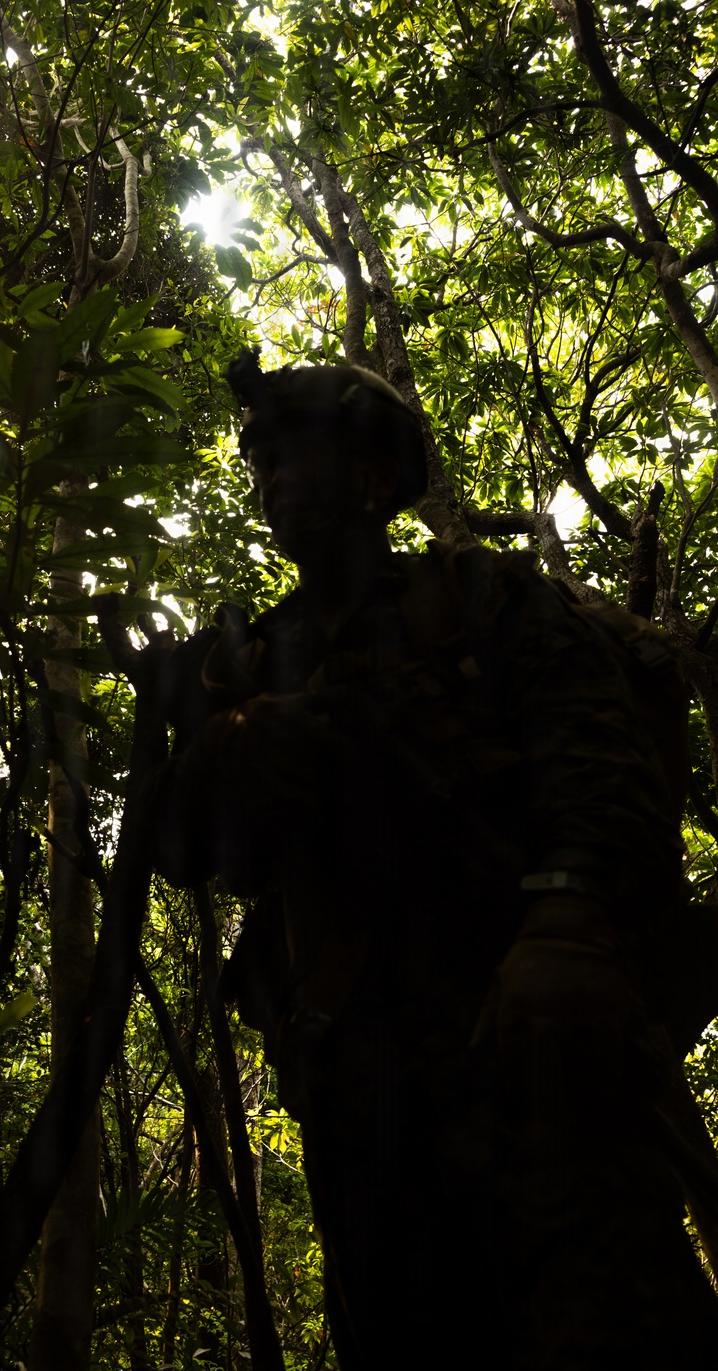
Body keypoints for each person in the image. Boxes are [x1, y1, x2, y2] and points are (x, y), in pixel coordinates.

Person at [153, 349, 718, 1368]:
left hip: (531, 1058)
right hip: (361, 1108)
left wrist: (566, 924)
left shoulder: (486, 597)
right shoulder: (247, 659)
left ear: (374, 476)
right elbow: (178, 847)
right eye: (262, 460)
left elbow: (599, 764)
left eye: (297, 453)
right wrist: (231, 746)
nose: (273, 477)